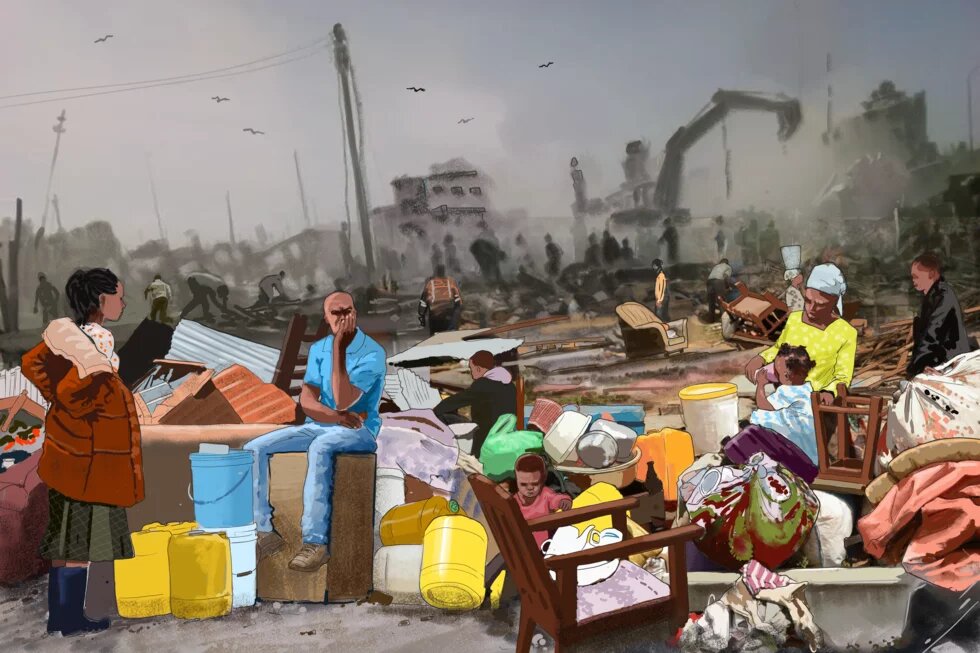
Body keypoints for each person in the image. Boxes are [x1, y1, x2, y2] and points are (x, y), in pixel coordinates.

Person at [22, 268, 143, 635]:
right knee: (78, 541)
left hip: (68, 450)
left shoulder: (65, 335)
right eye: (119, 296)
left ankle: (61, 615)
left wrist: (59, 398)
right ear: (101, 301)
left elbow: (32, 364)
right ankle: (71, 619)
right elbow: (78, 390)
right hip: (88, 457)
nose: (123, 302)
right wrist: (82, 395)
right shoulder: (98, 340)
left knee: (66, 540)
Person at [244, 292, 386, 571]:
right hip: (322, 425)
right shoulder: (318, 348)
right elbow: (307, 402)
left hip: (360, 430)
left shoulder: (372, 352)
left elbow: (344, 398)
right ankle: (264, 532)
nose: (342, 318)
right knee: (254, 447)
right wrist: (334, 415)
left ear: (355, 313)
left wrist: (339, 350)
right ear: (326, 317)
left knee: (320, 448)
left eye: (347, 311)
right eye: (335, 313)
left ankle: (315, 542)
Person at [744, 263, 856, 404]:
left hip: (816, 404)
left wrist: (828, 392)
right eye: (808, 301)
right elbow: (779, 349)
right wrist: (761, 358)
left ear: (834, 302)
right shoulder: (795, 319)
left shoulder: (845, 332)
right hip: (786, 396)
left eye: (820, 304)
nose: (811, 309)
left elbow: (843, 377)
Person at [730, 344, 819, 482]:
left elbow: (763, 406)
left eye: (777, 372)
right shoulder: (808, 390)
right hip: (811, 456)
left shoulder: (788, 392)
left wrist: (761, 384)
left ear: (787, 375)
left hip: (800, 458)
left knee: (748, 436)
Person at [434, 350, 517, 460]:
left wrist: (432, 413)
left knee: (443, 417)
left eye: (471, 369)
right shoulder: (509, 385)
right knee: (453, 414)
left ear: (478, 368)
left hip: (484, 437)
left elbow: (455, 401)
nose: (472, 374)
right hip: (504, 432)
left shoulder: (483, 384)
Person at [906, 253, 970, 378]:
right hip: (939, 359)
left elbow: (933, 333)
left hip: (950, 360)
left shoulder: (944, 296)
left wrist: (916, 366)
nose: (913, 280)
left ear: (931, 274)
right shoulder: (933, 295)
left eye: (916, 276)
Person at [513, 453, 572, 550]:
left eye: (535, 483)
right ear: (517, 480)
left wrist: (564, 501)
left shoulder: (545, 494)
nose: (530, 488)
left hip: (546, 545)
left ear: (543, 479)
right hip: (526, 547)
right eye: (523, 484)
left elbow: (556, 499)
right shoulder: (514, 501)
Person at [419, 264, 462, 335]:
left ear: (436, 272)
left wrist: (422, 314)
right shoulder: (451, 281)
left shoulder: (430, 283)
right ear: (444, 272)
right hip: (448, 313)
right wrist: (458, 308)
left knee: (434, 335)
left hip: (434, 314)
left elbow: (424, 301)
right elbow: (458, 299)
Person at [706, 258, 734, 323]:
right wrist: (728, 287)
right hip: (718, 281)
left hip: (709, 281)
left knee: (711, 301)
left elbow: (712, 275)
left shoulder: (716, 266)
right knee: (722, 301)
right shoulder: (728, 267)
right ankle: (725, 321)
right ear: (727, 263)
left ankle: (711, 320)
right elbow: (725, 277)